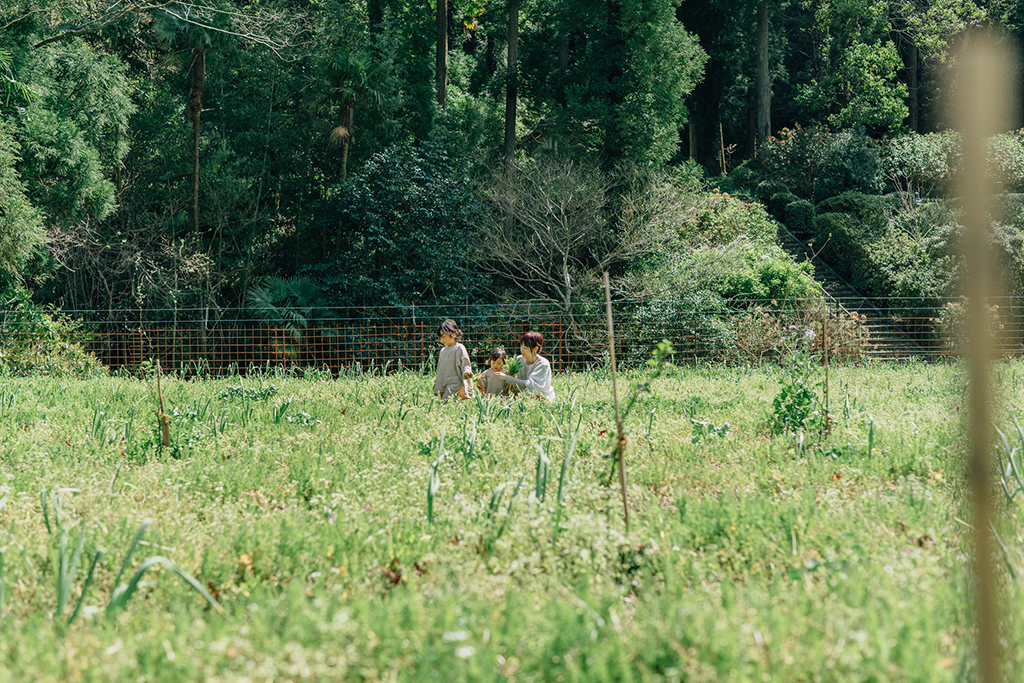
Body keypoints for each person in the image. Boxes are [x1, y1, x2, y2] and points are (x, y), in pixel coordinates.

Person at [495, 331, 556, 402]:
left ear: (535, 349)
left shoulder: (543, 364)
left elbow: (530, 385)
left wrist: (506, 378)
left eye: (525, 348)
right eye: (521, 346)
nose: (521, 350)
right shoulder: (519, 359)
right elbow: (511, 374)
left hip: (541, 398)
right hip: (522, 397)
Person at [433, 319, 472, 401]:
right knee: (445, 402)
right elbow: (440, 368)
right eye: (440, 337)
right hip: (444, 382)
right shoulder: (443, 351)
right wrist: (437, 382)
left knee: (445, 402)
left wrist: (467, 371)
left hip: (455, 383)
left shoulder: (459, 348)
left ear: (453, 334)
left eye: (443, 336)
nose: (441, 340)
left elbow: (465, 363)